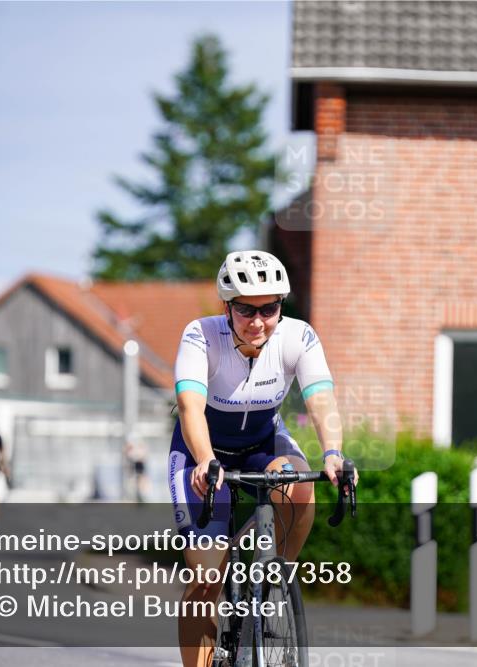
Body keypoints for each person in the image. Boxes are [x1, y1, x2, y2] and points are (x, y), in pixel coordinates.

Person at [169, 250, 358, 667]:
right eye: (245, 310)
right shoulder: (201, 335)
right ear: (227, 307)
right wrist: (204, 459)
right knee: (205, 581)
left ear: (280, 306)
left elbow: (321, 399)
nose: (257, 321)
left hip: (263, 443)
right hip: (203, 450)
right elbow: (189, 406)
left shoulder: (298, 336)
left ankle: (275, 580)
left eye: (268, 309)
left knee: (299, 486)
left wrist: (333, 453)